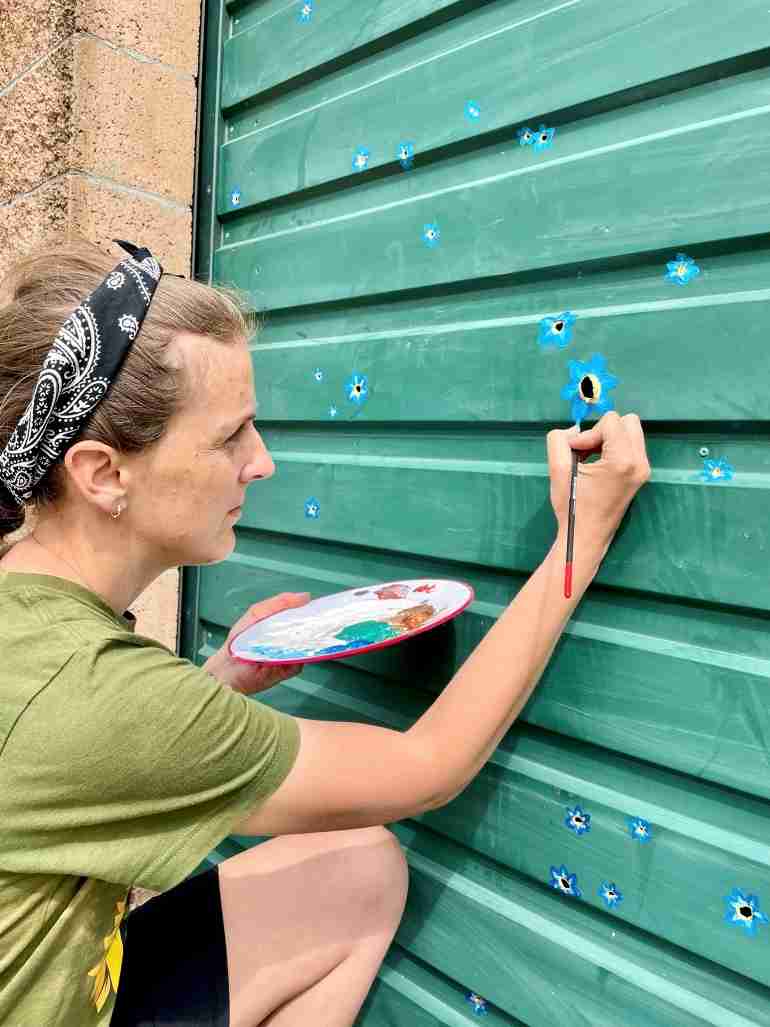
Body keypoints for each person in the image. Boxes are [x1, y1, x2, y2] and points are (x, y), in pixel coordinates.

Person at [0, 238, 650, 1027]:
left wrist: (219, 688)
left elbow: (79, 749)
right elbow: (428, 766)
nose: (262, 461)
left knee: (357, 870)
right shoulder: (90, 694)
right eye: (230, 435)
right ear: (103, 473)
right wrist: (581, 537)